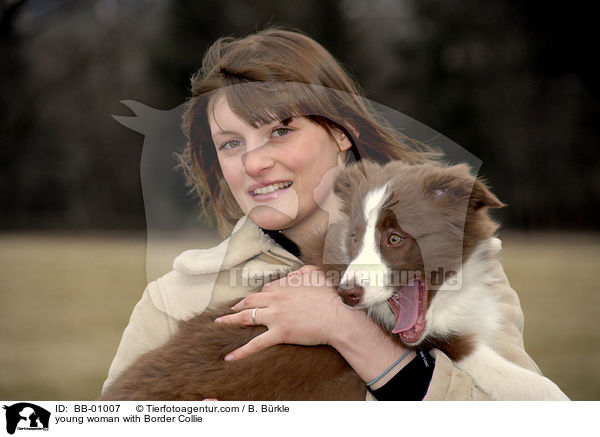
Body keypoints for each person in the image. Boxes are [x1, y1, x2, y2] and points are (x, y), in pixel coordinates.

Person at [102, 27, 549, 400]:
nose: (254, 163)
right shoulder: (173, 299)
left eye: (280, 130)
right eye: (231, 143)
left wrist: (355, 335)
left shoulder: (454, 271)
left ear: (340, 133)